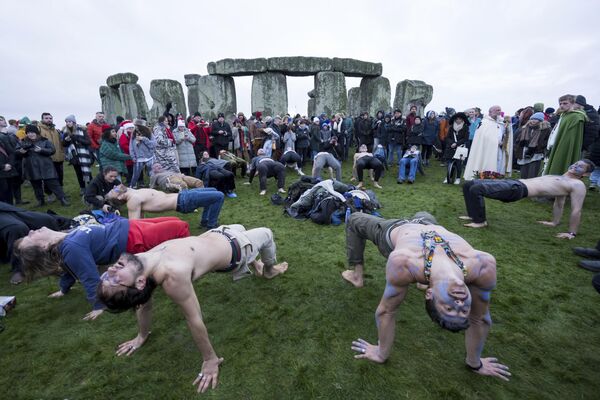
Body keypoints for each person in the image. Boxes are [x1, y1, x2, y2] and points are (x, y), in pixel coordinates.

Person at [96, 224, 289, 393]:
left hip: (219, 233)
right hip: (236, 248)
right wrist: (210, 359)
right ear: (138, 283)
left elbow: (142, 304)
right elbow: (194, 319)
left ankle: (255, 261)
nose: (111, 270)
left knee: (240, 226)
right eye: (115, 281)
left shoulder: (139, 264)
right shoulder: (173, 276)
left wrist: (142, 335)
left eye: (106, 276)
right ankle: (269, 270)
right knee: (266, 233)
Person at [344, 212, 510, 381]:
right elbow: (480, 318)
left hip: (396, 228)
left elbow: (386, 311)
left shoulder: (405, 262)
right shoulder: (482, 265)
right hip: (427, 222)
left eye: (449, 307)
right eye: (463, 309)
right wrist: (475, 363)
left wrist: (381, 353)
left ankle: (357, 276)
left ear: (430, 294)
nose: (459, 303)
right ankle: (426, 280)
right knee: (424, 213)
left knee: (355, 219)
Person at [14, 216, 190, 320]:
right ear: (43, 247)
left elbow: (66, 269)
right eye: (29, 238)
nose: (30, 232)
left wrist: (63, 289)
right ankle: (188, 262)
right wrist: (99, 305)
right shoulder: (71, 248)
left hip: (127, 225)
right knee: (180, 227)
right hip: (131, 237)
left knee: (175, 221)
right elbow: (88, 277)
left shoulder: (64, 239)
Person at [460, 159, 594, 237]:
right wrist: (554, 222)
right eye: (576, 163)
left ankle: (480, 221)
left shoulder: (577, 184)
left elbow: (577, 210)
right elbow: (559, 203)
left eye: (580, 167)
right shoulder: (562, 178)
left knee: (477, 189)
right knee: (469, 184)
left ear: (586, 174)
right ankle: (473, 215)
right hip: (516, 182)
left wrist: (572, 233)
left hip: (518, 190)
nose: (575, 166)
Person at [0, 202, 73, 284]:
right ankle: (20, 268)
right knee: (16, 228)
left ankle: (61, 251)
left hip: (5, 208)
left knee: (45, 219)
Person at [106, 183, 224, 228]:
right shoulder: (133, 200)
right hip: (183, 202)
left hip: (183, 195)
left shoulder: (131, 191)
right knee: (219, 196)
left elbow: (120, 186)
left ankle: (205, 221)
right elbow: (134, 224)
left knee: (213, 188)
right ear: (120, 197)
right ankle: (211, 224)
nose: (114, 187)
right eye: (113, 191)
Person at [16, 125, 69, 207]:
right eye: (29, 133)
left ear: (36, 133)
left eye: (33, 132)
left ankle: (63, 199)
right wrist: (21, 152)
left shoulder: (44, 140)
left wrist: (41, 150)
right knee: (36, 186)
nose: (31, 134)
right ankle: (40, 201)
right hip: (31, 167)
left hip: (46, 166)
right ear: (26, 133)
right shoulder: (22, 141)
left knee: (54, 184)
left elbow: (52, 150)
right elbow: (16, 152)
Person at [544, 95, 588, 176]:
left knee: (561, 163)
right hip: (557, 143)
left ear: (573, 103)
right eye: (560, 104)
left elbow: (571, 137)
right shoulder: (564, 115)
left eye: (565, 103)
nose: (562, 106)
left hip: (565, 145)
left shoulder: (576, 117)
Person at [463, 106, 509, 180]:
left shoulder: (500, 122)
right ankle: (483, 176)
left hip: (497, 148)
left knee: (498, 162)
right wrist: (495, 142)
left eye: (500, 110)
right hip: (485, 148)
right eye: (497, 110)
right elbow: (483, 136)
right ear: (490, 112)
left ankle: (494, 177)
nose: (499, 112)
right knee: (484, 162)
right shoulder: (484, 122)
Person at [61, 115, 93, 194]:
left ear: (74, 122)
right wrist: (66, 140)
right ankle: (83, 188)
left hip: (84, 154)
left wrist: (77, 138)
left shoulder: (82, 130)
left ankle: (91, 187)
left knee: (87, 171)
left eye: (70, 121)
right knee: (78, 173)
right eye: (67, 122)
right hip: (74, 156)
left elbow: (88, 142)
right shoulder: (65, 132)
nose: (68, 123)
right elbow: (64, 145)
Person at [514, 112, 551, 179]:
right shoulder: (524, 128)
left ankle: (532, 187)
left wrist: (540, 146)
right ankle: (524, 186)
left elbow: (547, 140)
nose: (533, 121)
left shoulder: (545, 129)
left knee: (532, 173)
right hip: (524, 152)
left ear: (540, 120)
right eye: (532, 119)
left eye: (536, 119)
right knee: (523, 173)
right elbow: (517, 139)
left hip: (536, 153)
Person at [38, 112, 65, 189]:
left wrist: (62, 154)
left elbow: (60, 144)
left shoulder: (56, 130)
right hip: (46, 158)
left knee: (60, 176)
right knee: (48, 178)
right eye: (46, 118)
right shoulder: (39, 129)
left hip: (58, 157)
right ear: (42, 119)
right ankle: (50, 194)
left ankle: (61, 192)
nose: (49, 120)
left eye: (50, 118)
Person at [443, 112, 470, 184]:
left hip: (460, 148)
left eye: (460, 119)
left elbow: (465, 138)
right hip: (451, 147)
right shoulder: (451, 127)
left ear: (462, 120)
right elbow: (448, 137)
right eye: (457, 119)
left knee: (459, 164)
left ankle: (458, 178)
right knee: (449, 163)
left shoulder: (465, 127)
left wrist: (457, 144)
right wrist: (452, 143)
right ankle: (448, 176)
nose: (458, 120)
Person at [129, 121, 155, 188]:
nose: (136, 128)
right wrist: (133, 156)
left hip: (149, 157)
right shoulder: (134, 134)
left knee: (151, 173)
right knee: (136, 174)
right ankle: (132, 186)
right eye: (135, 126)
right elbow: (131, 146)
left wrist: (143, 139)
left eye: (137, 126)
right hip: (138, 158)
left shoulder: (149, 134)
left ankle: (152, 185)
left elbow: (153, 145)